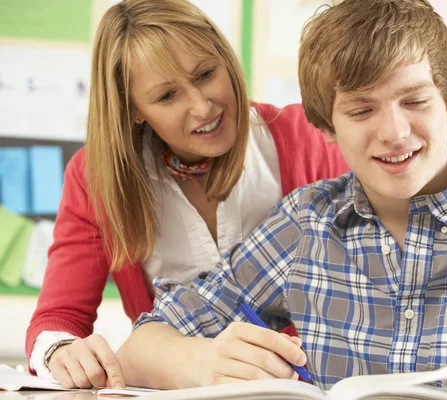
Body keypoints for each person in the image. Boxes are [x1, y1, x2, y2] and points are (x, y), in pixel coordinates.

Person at [117, 0, 447, 397]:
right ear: (327, 127)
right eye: (361, 109)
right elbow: (141, 347)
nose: (393, 132)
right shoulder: (306, 223)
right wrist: (203, 360)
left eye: (414, 101)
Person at [25, 0, 349, 390]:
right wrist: (60, 352)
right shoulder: (98, 178)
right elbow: (58, 320)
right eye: (167, 96)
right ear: (133, 110)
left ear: (225, 58)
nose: (202, 106)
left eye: (206, 74)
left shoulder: (309, 139)